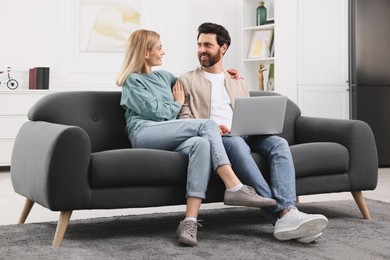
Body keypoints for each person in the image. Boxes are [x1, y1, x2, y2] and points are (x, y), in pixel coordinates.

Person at [115, 29, 276, 247]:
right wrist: (176, 103)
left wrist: (226, 76)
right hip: (144, 132)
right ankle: (234, 185)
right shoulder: (132, 81)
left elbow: (193, 79)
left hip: (169, 132)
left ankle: (189, 221)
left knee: (201, 143)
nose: (164, 52)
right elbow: (154, 111)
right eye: (160, 47)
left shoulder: (163, 76)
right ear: (145, 52)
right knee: (206, 125)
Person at [177, 22, 329, 243]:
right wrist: (211, 126)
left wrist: (255, 125)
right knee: (237, 144)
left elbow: (247, 112)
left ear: (223, 48)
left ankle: (289, 214)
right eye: (199, 44)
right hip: (220, 138)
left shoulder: (237, 79)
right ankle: (284, 215)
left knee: (278, 143)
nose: (201, 50)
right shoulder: (186, 80)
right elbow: (184, 119)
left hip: (244, 132)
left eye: (208, 45)